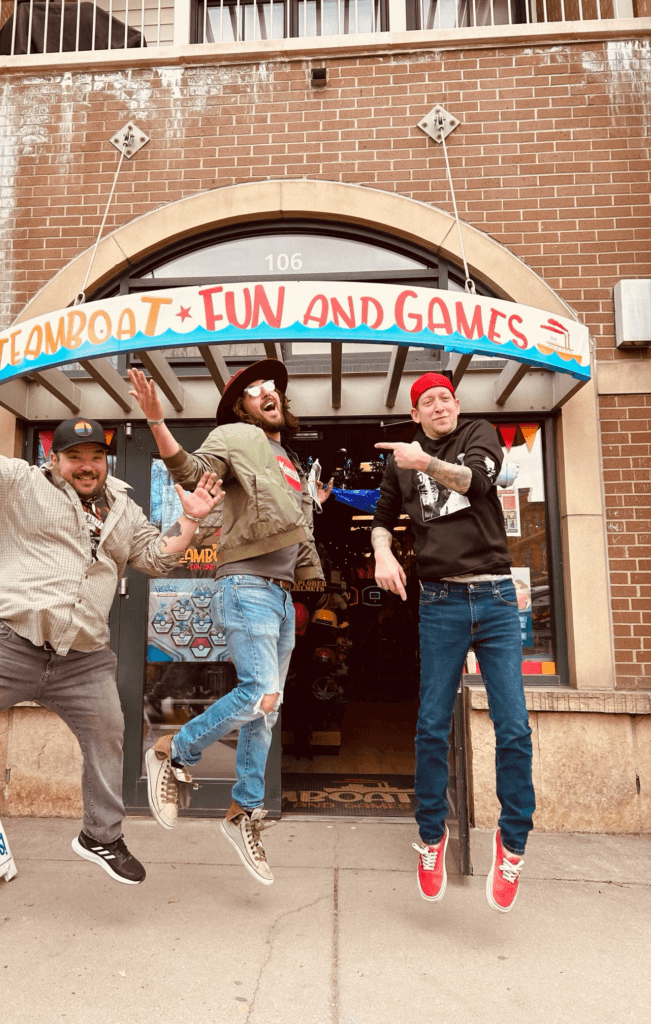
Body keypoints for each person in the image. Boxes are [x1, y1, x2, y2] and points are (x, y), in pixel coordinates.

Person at [0, 346, 223, 886]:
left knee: (109, 730)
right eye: (74, 457)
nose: (86, 465)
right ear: (55, 459)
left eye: (95, 455)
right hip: (6, 645)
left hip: (82, 659)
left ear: (105, 458)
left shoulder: (124, 507)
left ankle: (101, 836)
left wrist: (189, 521)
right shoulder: (19, 483)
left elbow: (156, 557)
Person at [129, 359, 331, 885]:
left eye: (274, 389)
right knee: (262, 692)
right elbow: (195, 473)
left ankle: (244, 812)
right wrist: (156, 424)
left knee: (267, 710)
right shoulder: (234, 435)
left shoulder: (285, 456)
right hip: (246, 585)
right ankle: (175, 749)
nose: (268, 394)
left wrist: (307, 563)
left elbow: (291, 526)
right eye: (254, 390)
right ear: (240, 406)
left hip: (281, 596)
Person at [371, 371, 534, 913]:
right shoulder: (401, 462)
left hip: (494, 600)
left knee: (512, 725)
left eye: (445, 398)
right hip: (439, 602)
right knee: (431, 725)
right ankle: (431, 836)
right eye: (427, 401)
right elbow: (382, 518)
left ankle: (512, 844)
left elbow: (477, 483)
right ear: (415, 414)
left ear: (456, 405)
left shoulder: (480, 434)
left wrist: (428, 464)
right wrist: (383, 552)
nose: (438, 405)